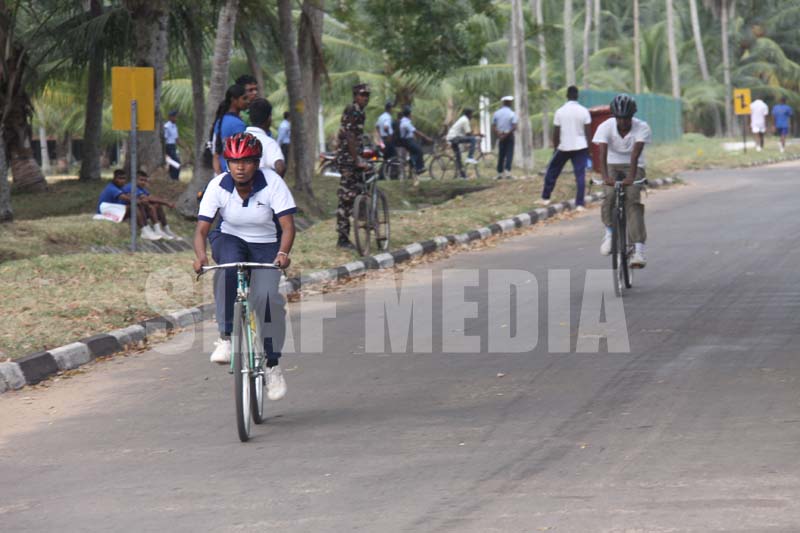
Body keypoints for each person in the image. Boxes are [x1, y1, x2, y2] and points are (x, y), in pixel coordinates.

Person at [193, 132, 296, 400]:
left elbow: (287, 226)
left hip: (267, 245)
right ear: (227, 162)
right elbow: (202, 230)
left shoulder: (272, 183)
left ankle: (272, 365)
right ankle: (226, 337)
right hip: (230, 238)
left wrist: (283, 253)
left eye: (247, 161)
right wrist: (201, 256)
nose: (240, 167)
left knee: (267, 300)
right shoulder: (218, 186)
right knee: (227, 267)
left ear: (257, 162)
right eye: (234, 161)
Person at [593, 93, 652, 268]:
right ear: (615, 117)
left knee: (632, 200)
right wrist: (605, 177)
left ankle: (639, 250)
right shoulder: (605, 127)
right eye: (620, 118)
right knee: (609, 195)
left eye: (627, 118)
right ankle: (610, 233)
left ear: (632, 116)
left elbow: (635, 154)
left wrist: (631, 177)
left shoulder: (642, 127)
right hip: (611, 164)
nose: (623, 122)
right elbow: (602, 153)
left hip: (634, 165)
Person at [537, 86, 592, 210]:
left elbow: (556, 133)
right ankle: (579, 204)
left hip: (564, 146)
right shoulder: (584, 111)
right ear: (577, 96)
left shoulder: (560, 111)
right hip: (580, 146)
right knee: (580, 175)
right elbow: (588, 132)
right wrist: (589, 150)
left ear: (567, 96)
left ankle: (545, 198)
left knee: (552, 171)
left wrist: (556, 148)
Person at [335, 83, 370, 249]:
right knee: (346, 198)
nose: (365, 98)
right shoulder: (352, 110)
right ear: (355, 95)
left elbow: (357, 137)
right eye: (362, 94)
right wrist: (357, 159)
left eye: (367, 95)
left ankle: (365, 219)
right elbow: (349, 136)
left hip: (355, 158)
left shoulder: (360, 112)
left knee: (360, 190)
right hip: (348, 161)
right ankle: (342, 238)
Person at [121, 170, 180, 240]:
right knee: (150, 206)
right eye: (141, 180)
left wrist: (164, 202)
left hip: (139, 209)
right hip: (127, 211)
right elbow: (147, 198)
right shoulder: (131, 186)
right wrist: (167, 203)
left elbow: (151, 197)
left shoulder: (141, 188)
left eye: (145, 180)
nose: (143, 182)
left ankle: (165, 229)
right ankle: (150, 231)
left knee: (157, 205)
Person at [210, 84, 249, 174]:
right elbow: (243, 152)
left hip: (221, 172)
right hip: (234, 173)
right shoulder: (238, 125)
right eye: (244, 98)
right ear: (233, 100)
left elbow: (215, 153)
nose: (247, 101)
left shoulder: (220, 120)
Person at [245, 98, 287, 177]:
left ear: (250, 118)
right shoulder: (269, 143)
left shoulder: (238, 139)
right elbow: (281, 168)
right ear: (269, 118)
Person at [446, 108, 481, 179]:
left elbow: (468, 133)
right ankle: (470, 157)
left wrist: (478, 134)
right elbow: (468, 134)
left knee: (458, 157)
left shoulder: (463, 119)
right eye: (471, 114)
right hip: (454, 137)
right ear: (468, 114)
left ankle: (462, 175)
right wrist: (476, 135)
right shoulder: (465, 120)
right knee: (473, 139)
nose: (472, 116)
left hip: (451, 137)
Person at [398, 105, 432, 178]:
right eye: (411, 113)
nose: (412, 115)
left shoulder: (405, 121)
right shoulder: (405, 123)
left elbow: (412, 132)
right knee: (419, 151)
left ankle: (412, 164)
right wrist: (426, 138)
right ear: (409, 114)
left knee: (416, 151)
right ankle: (419, 168)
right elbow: (415, 131)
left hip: (408, 140)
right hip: (407, 141)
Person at [492, 95, 518, 179]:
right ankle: (507, 172)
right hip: (509, 135)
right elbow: (514, 126)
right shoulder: (512, 113)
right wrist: (506, 134)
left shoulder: (497, 113)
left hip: (500, 135)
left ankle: (499, 173)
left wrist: (499, 135)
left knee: (501, 154)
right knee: (509, 154)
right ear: (509, 103)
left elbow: (494, 126)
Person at [163, 110, 180, 181]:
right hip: (169, 146)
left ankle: (174, 178)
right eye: (174, 117)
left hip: (173, 146)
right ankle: (174, 177)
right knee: (176, 162)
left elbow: (176, 138)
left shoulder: (174, 125)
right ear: (170, 117)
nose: (176, 118)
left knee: (173, 162)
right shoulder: (167, 126)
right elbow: (165, 138)